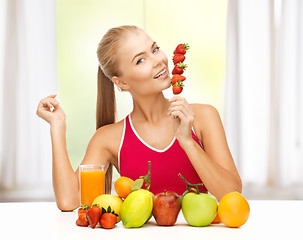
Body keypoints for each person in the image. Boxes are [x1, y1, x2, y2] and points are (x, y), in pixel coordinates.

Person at [37, 25, 242, 211]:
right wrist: (57, 126)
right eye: (141, 60)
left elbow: (232, 194)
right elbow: (69, 201)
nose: (158, 61)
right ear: (122, 83)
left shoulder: (203, 117)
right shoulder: (108, 138)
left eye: (154, 49)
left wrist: (188, 141)